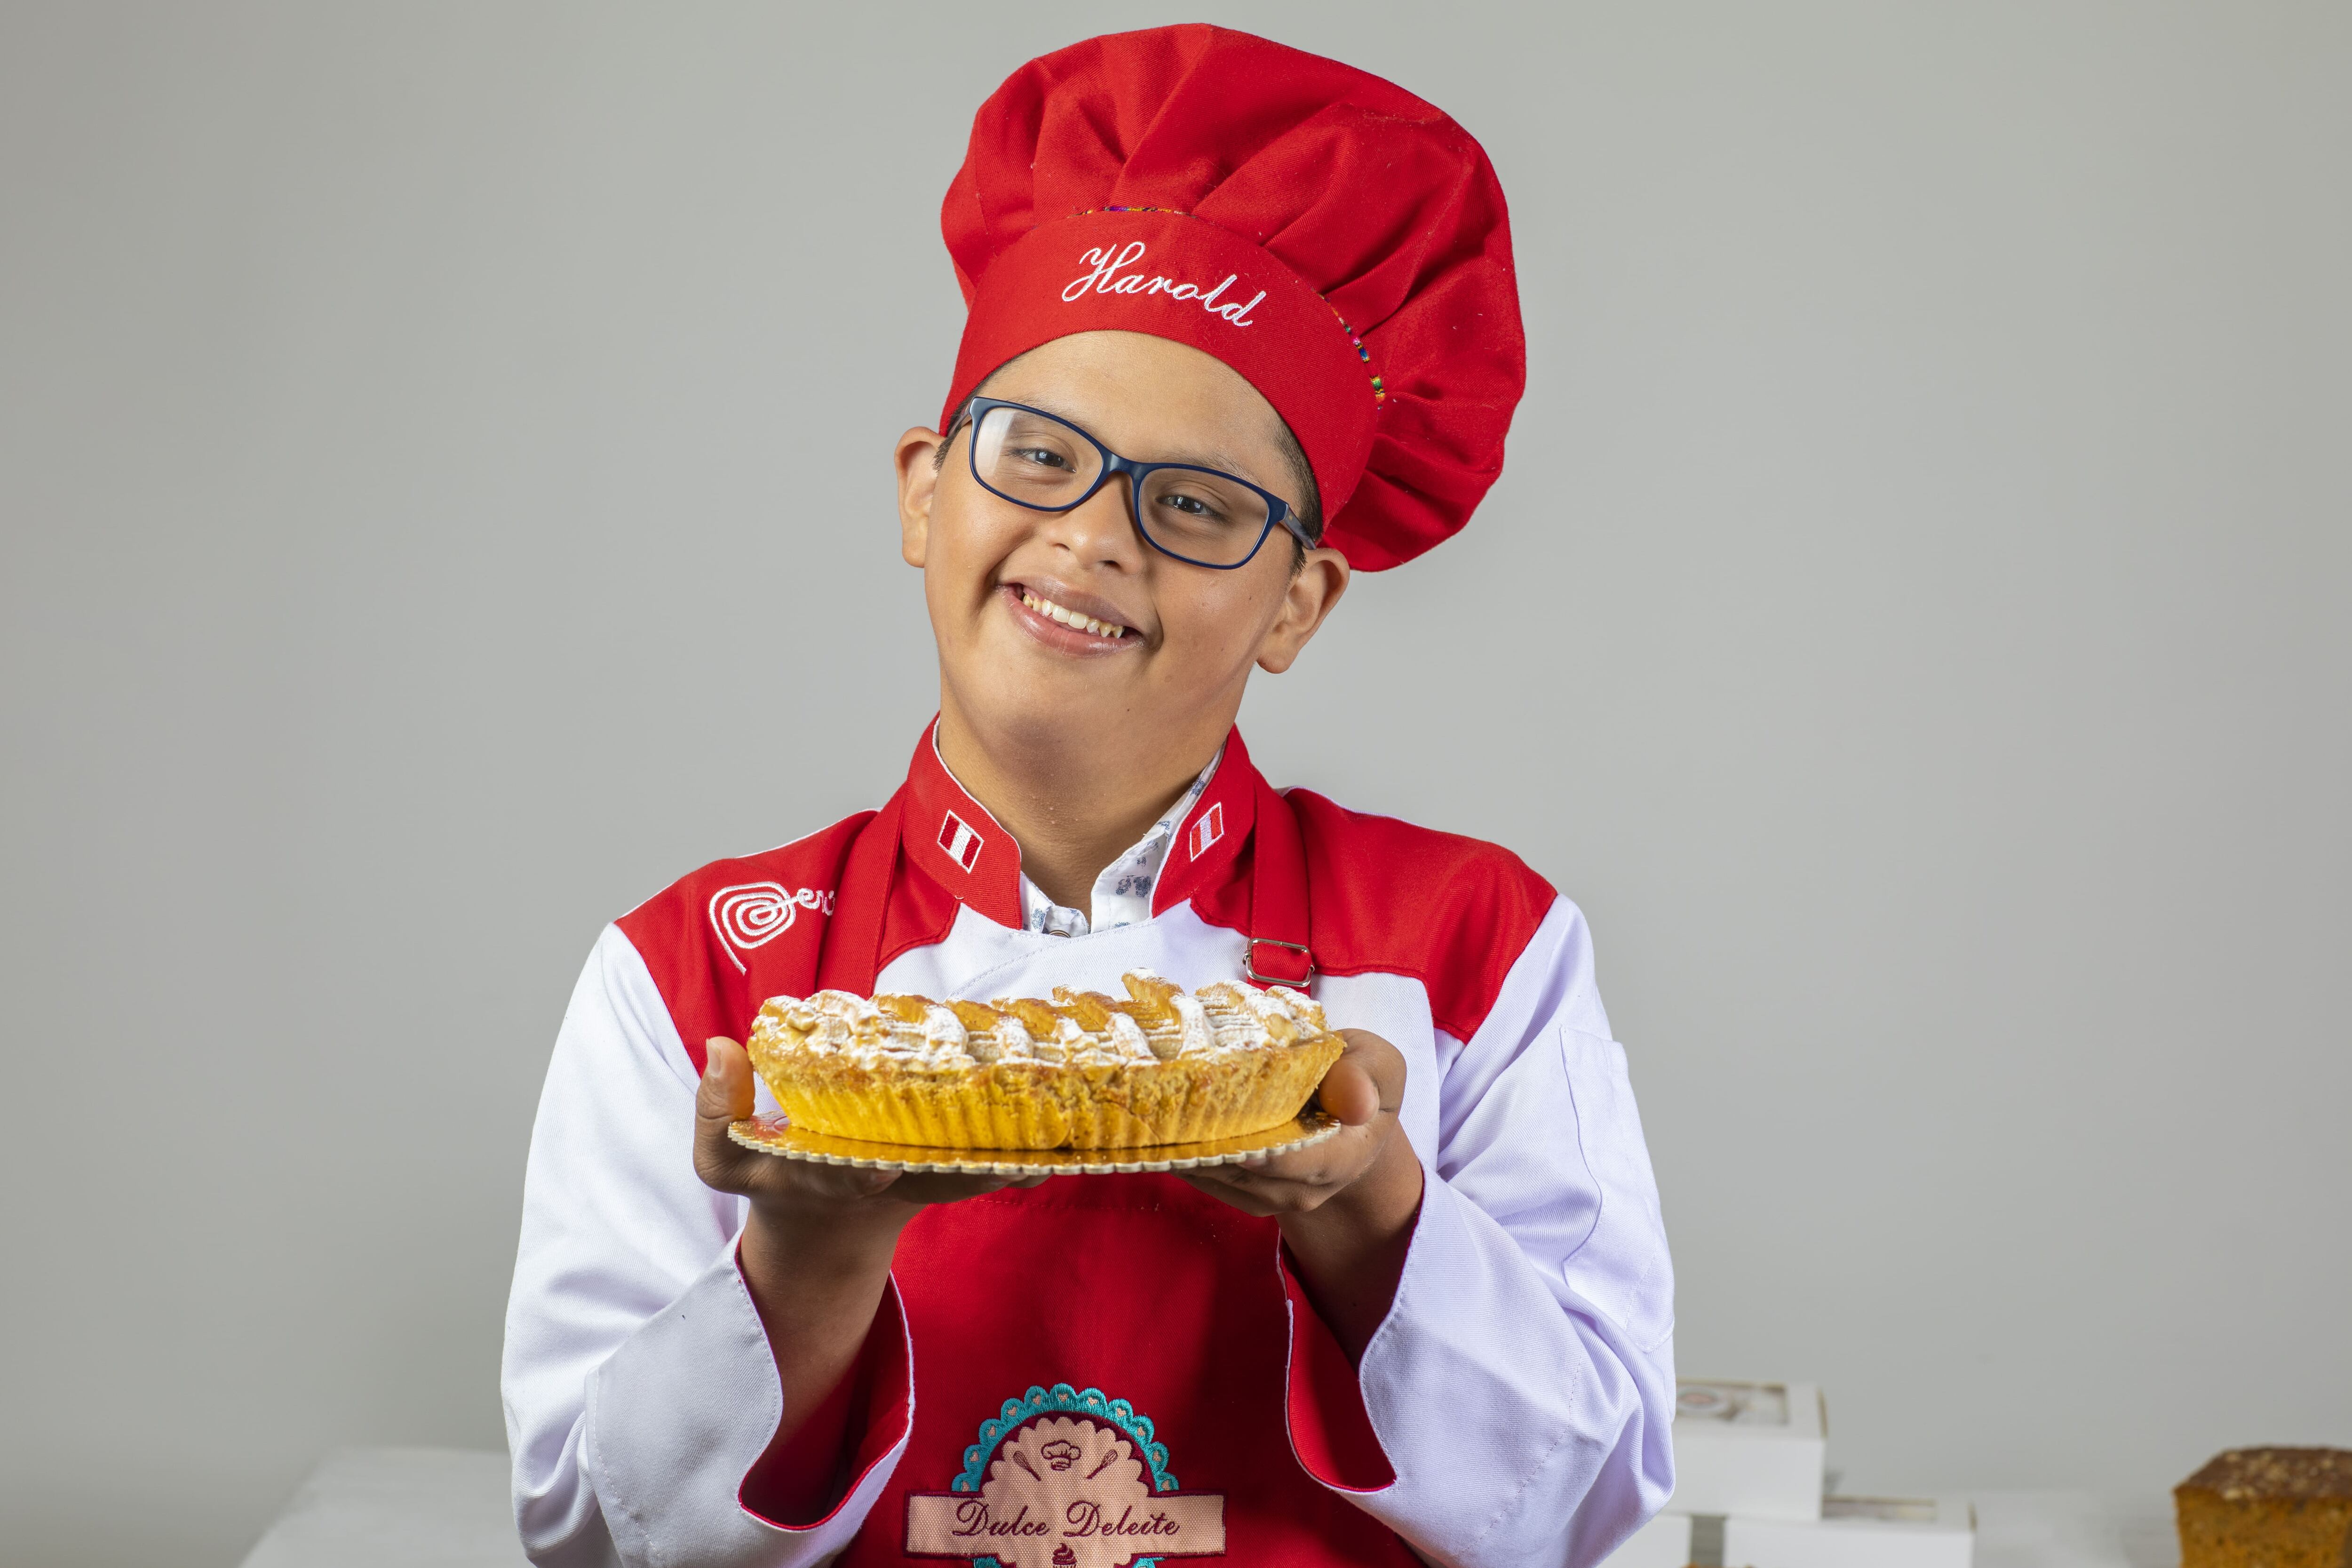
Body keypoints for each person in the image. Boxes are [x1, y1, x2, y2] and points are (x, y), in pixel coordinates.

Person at [502, 24, 1675, 1568]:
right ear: (928, 493)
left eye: (1195, 506)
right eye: (1037, 455)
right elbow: (590, 1542)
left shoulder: (1473, 944)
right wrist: (809, 1246)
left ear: (1298, 607)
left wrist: (1370, 1206)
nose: (1096, 536)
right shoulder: (698, 976)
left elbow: (1591, 1510)